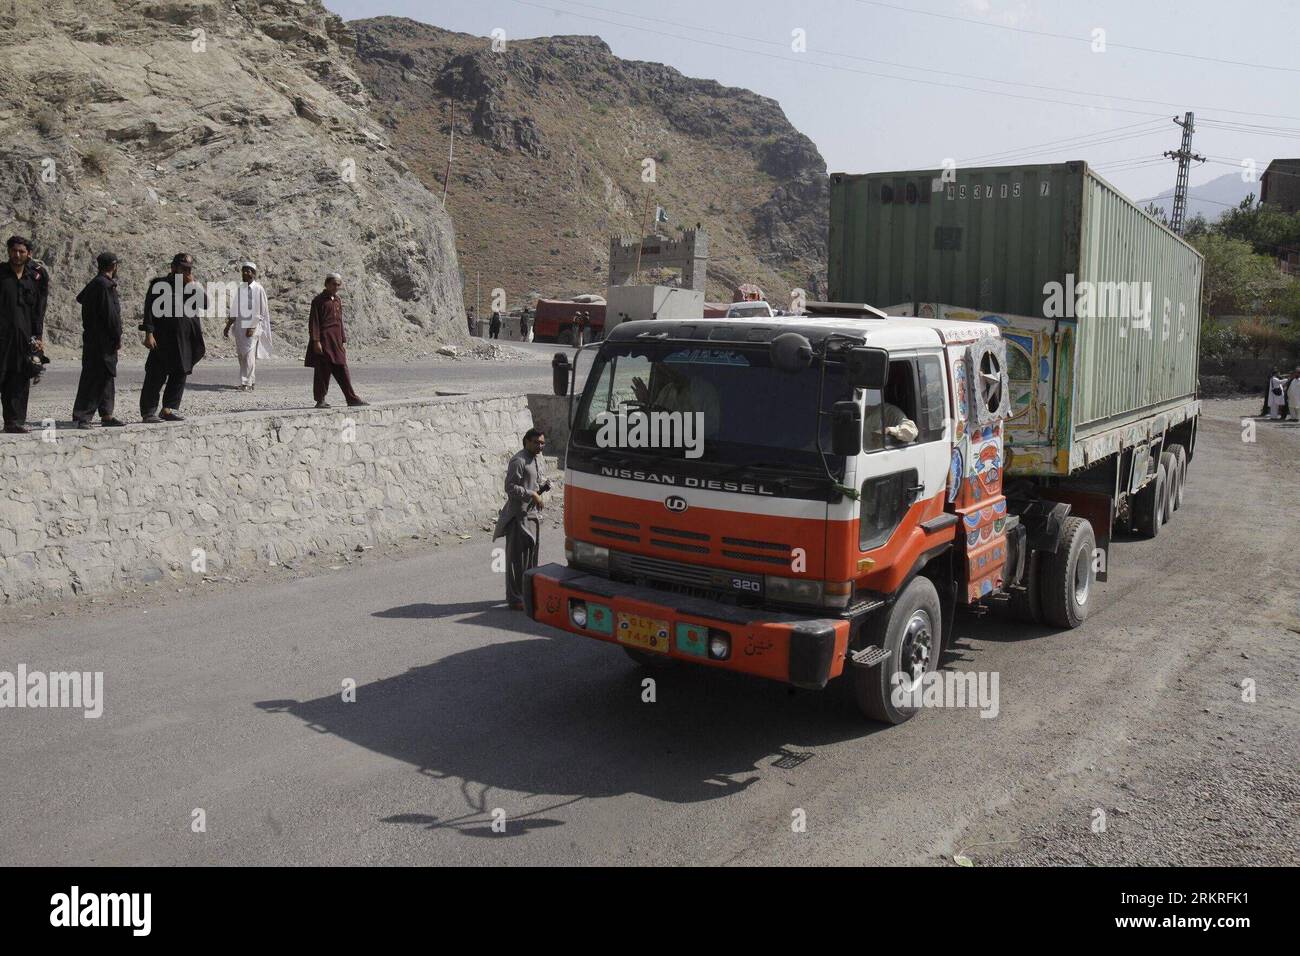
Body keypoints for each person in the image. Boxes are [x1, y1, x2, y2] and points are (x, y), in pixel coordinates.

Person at [140, 252, 206, 423]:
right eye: (183, 268)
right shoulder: (159, 285)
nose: (186, 272)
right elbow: (149, 310)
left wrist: (192, 284)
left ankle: (168, 409)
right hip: (163, 338)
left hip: (185, 340)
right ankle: (148, 412)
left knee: (180, 373)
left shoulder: (191, 285)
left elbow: (205, 304)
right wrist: (149, 333)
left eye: (189, 269)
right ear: (173, 267)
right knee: (155, 375)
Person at [493, 428, 549, 609]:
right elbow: (510, 488)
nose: (539, 446)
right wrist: (532, 493)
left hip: (531, 516)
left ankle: (526, 593)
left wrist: (541, 489)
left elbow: (531, 486)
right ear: (526, 441)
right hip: (518, 517)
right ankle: (515, 598)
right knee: (517, 560)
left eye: (542, 443)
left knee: (530, 557)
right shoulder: (519, 460)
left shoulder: (534, 459)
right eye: (536, 442)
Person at [71, 252, 125, 429]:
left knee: (106, 376)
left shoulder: (96, 283)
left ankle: (106, 414)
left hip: (94, 338)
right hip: (103, 340)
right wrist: (117, 336)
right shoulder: (104, 285)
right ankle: (83, 416)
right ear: (114, 266)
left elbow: (81, 298)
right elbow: (111, 316)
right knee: (95, 377)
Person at [0, 235, 46, 433]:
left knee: (19, 378)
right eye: (14, 251)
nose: (17, 255)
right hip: (1, 337)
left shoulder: (36, 276)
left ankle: (14, 422)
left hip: (24, 337)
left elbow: (39, 310)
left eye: (21, 251)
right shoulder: (1, 274)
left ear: (29, 254)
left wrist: (37, 337)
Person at [305, 273, 367, 409]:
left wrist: (342, 340)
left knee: (342, 369)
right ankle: (320, 399)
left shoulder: (337, 300)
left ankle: (351, 398)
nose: (336, 287)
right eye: (333, 284)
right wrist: (316, 341)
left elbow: (340, 322)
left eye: (338, 284)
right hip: (324, 341)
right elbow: (314, 322)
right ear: (326, 284)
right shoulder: (318, 301)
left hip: (336, 341)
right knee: (322, 371)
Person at [222, 261, 272, 391]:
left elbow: (261, 310)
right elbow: (235, 309)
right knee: (241, 355)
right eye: (243, 270)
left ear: (253, 274)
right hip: (239, 327)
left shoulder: (258, 289)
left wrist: (253, 326)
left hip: (252, 327)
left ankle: (246, 383)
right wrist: (228, 326)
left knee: (249, 354)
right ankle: (250, 381)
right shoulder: (241, 288)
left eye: (248, 270)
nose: (245, 273)